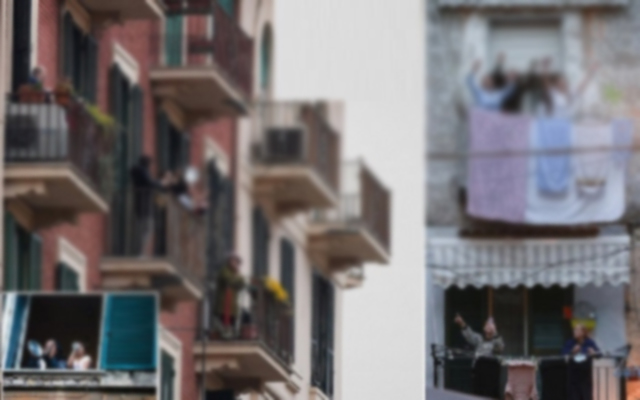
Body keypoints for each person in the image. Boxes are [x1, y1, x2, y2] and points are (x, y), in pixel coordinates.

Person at [130, 156, 167, 256]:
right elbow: (149, 182)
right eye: (150, 164)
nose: (151, 167)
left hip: (140, 204)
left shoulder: (136, 171)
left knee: (141, 228)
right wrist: (160, 183)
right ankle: (141, 252)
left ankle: (140, 252)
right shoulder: (143, 171)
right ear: (147, 164)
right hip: (145, 205)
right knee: (147, 229)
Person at [214, 254, 250, 336]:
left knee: (232, 323)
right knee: (223, 324)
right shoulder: (224, 270)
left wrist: (236, 277)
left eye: (238, 263)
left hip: (233, 305)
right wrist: (236, 277)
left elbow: (242, 283)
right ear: (230, 261)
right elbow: (229, 280)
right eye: (235, 262)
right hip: (223, 304)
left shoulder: (236, 273)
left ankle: (230, 333)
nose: (236, 264)